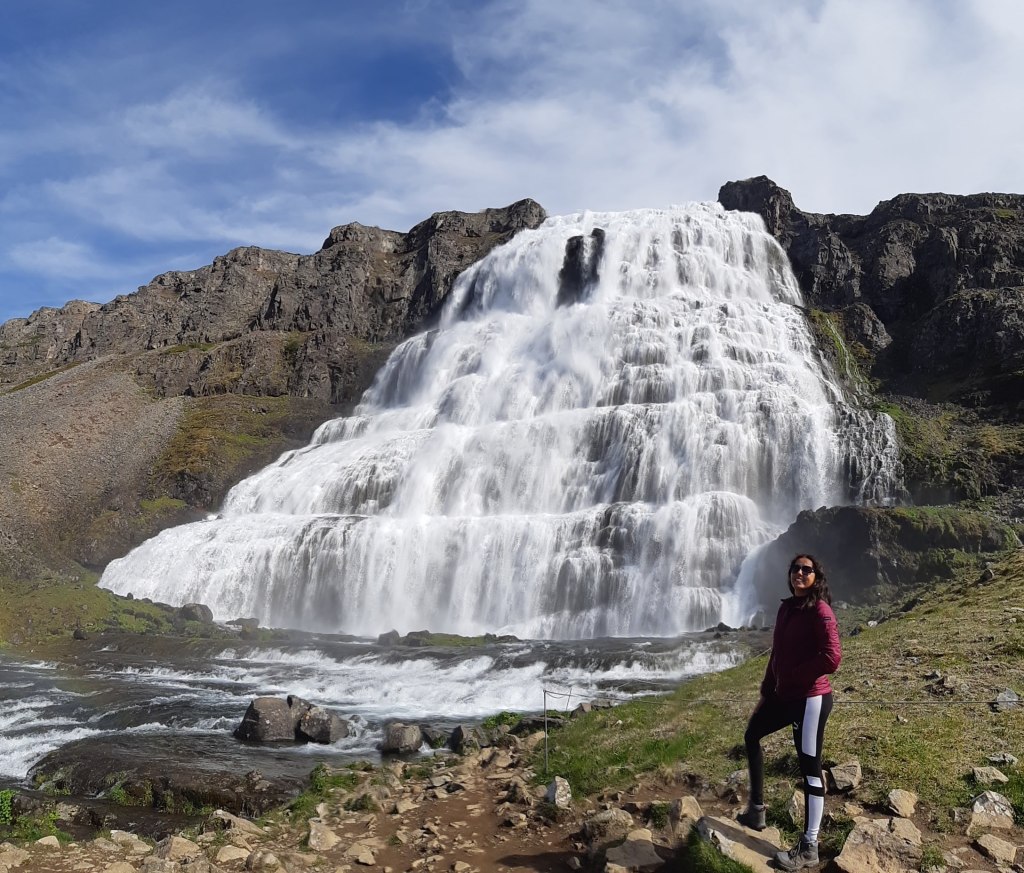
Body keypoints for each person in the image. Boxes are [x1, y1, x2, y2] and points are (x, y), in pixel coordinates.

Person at [736, 554, 842, 871]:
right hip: (783, 697)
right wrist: (767, 692)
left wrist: (795, 676)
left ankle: (809, 846)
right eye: (795, 568)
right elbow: (776, 656)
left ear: (816, 577)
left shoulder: (819, 610)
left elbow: (832, 658)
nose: (799, 573)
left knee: (810, 768)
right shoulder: (785, 608)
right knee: (752, 734)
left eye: (806, 570)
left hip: (810, 699)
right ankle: (756, 809)